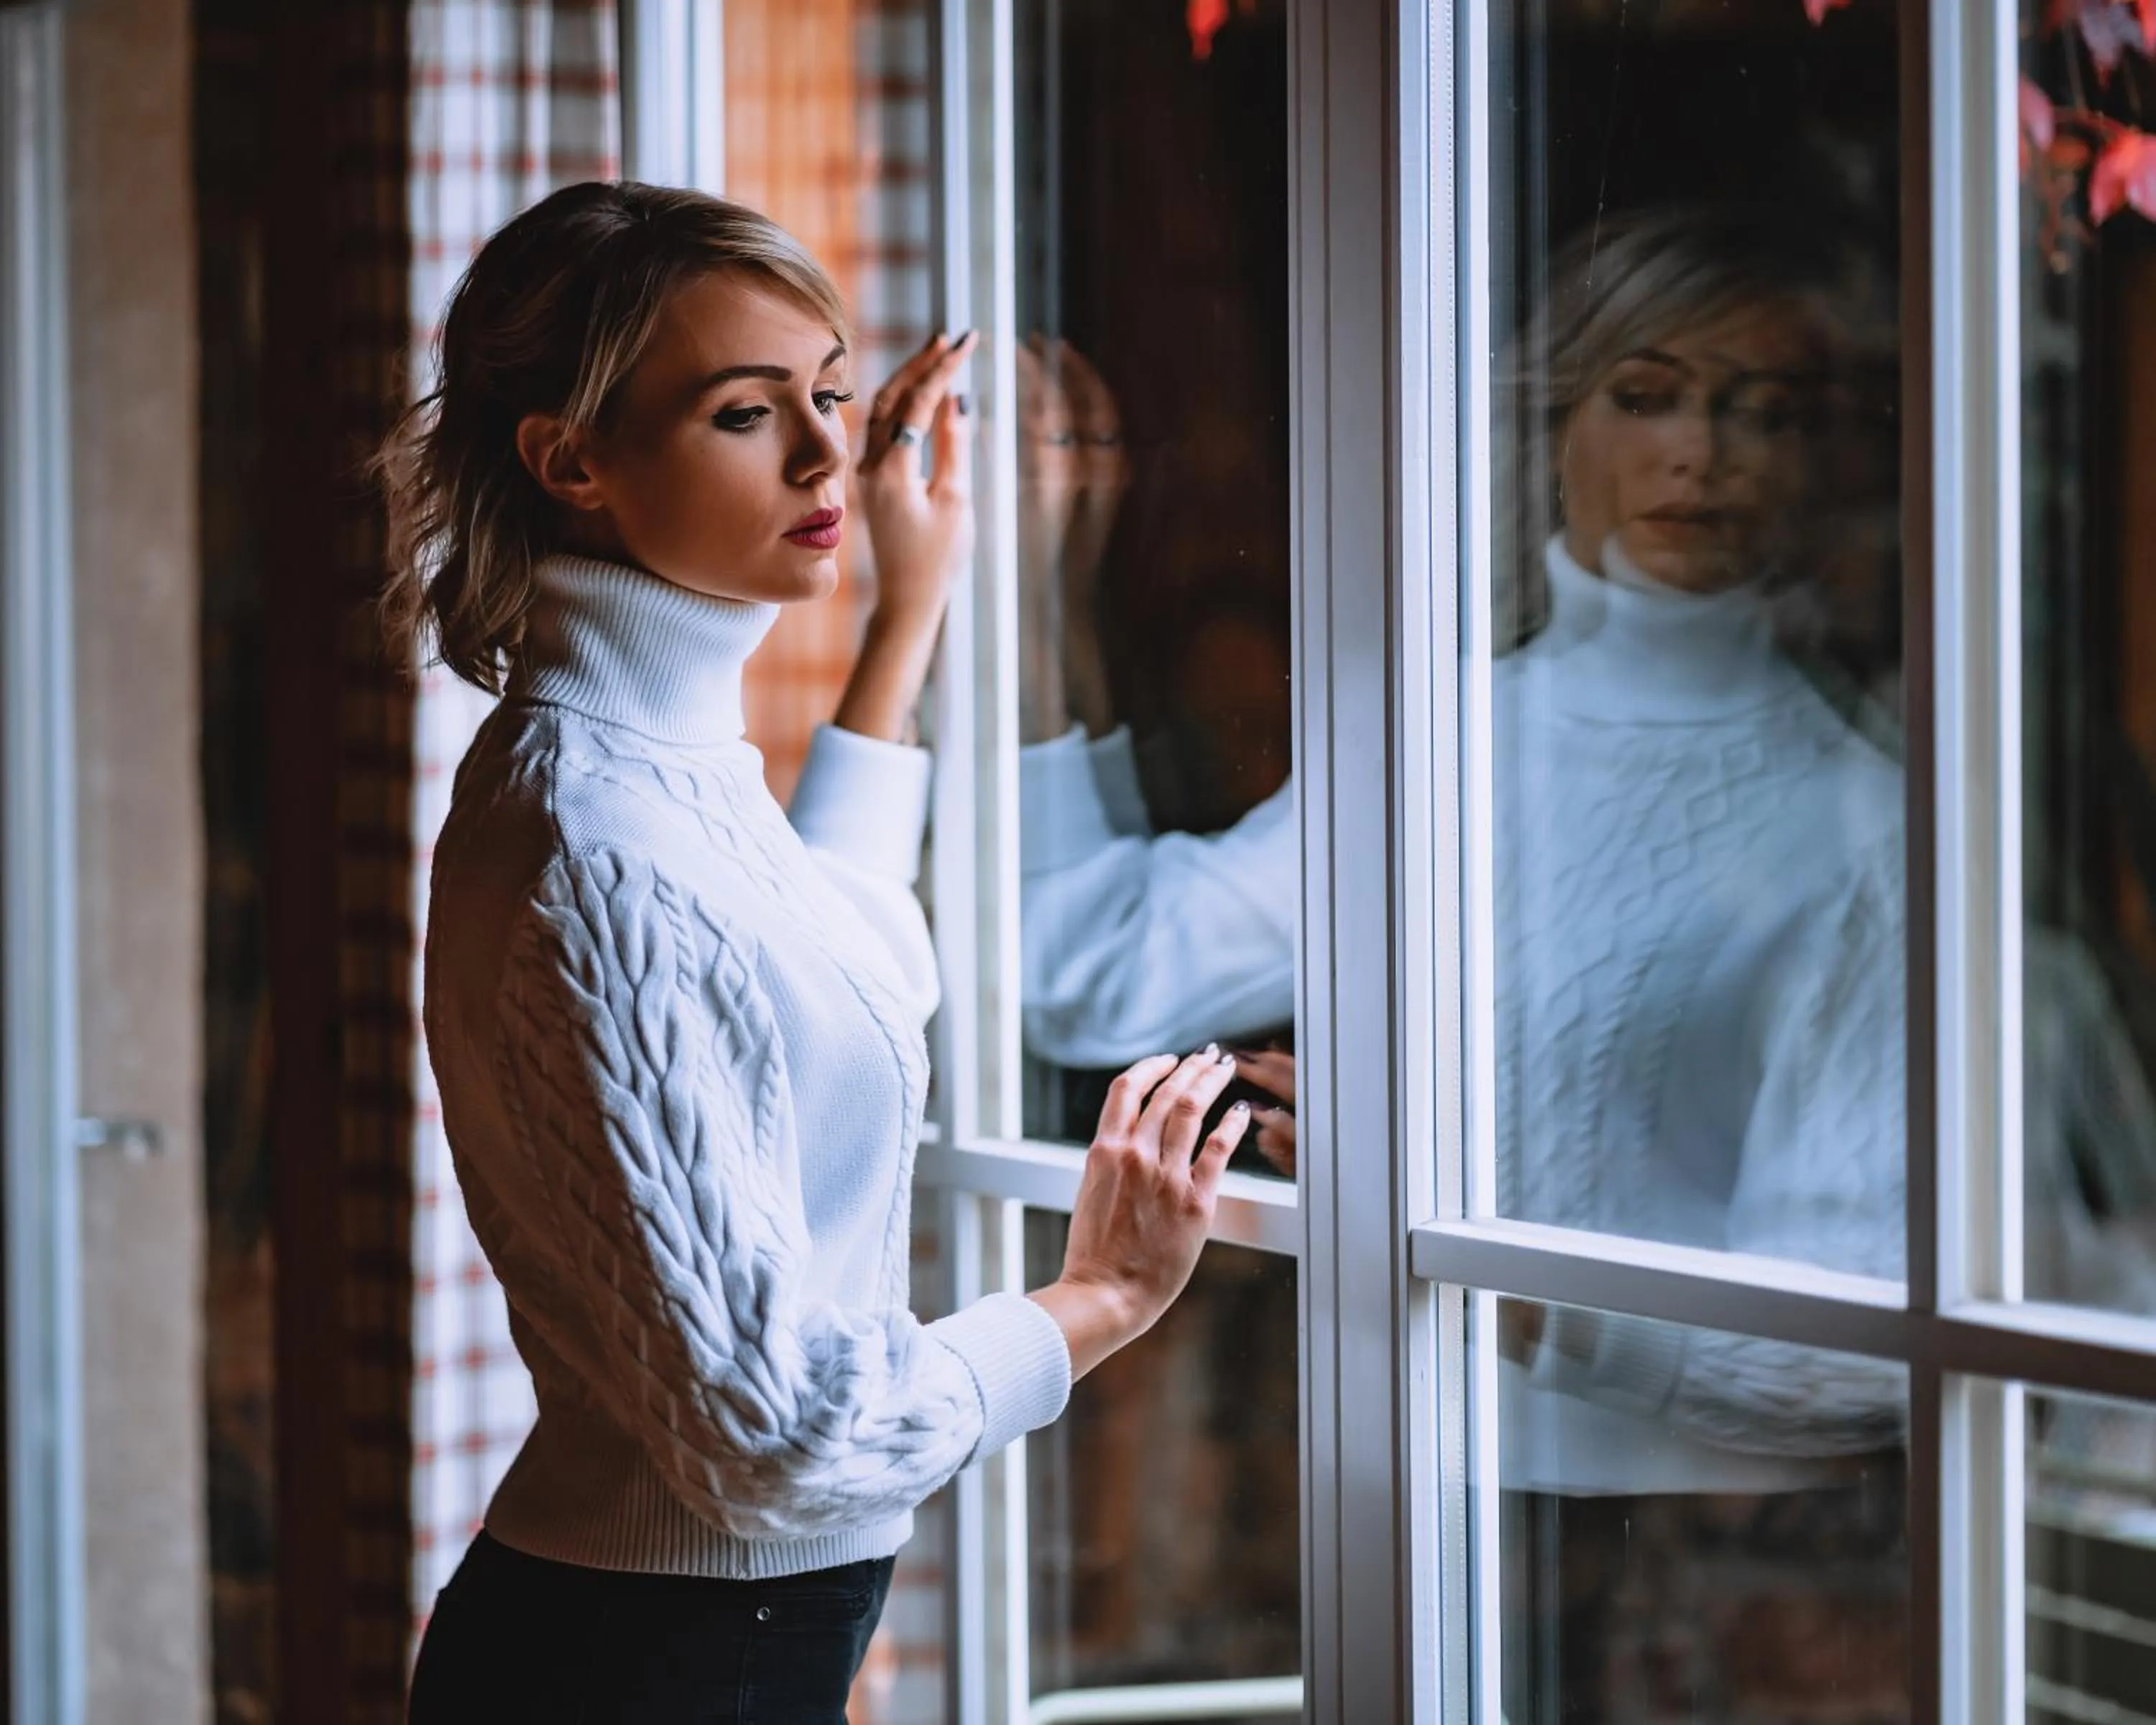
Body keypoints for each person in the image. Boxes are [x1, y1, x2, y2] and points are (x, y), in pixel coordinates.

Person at [383, 180, 1253, 1724]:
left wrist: (905, 610)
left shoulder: (646, 762)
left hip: (709, 1635)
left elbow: (844, 966)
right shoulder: (595, 838)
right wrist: (1097, 1302)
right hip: (655, 1663)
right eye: (743, 411)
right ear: (569, 459)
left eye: (834, 394)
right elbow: (781, 1440)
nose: (825, 451)